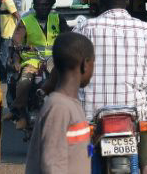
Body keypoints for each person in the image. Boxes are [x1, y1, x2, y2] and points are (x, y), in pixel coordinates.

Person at [73, 0, 147, 174]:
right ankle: (145, 170)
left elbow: (70, 70)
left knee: (78, 138)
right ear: (127, 0)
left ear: (100, 2)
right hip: (133, 110)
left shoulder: (84, 28)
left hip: (91, 113)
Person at [24, 32, 94, 174]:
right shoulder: (59, 107)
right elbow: (53, 166)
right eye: (93, 62)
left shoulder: (71, 104)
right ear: (84, 65)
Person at [9, 0, 71, 130]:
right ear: (34, 6)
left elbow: (67, 34)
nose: (42, 8)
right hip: (33, 61)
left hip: (54, 60)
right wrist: (19, 46)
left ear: (50, 6)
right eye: (39, 5)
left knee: (68, 80)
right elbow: (16, 39)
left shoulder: (58, 18)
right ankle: (20, 113)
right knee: (24, 81)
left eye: (45, 5)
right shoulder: (26, 21)